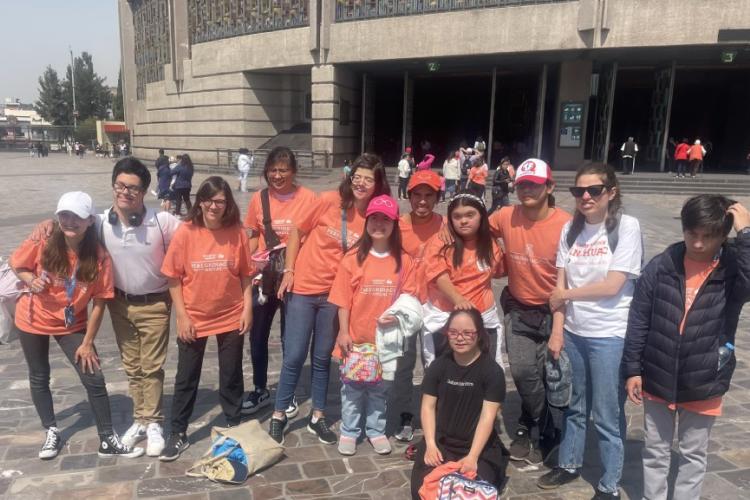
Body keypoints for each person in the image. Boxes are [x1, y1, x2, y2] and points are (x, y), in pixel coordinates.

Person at [622, 195, 750, 500]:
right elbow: (639, 318)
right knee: (655, 451)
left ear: (723, 235)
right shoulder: (662, 265)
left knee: (693, 454)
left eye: (709, 236)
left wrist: (745, 236)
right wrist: (632, 368)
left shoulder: (731, 270)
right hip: (657, 373)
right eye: (693, 233)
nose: (699, 243)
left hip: (705, 377)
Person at [267, 153, 391, 445]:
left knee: (322, 358)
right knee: (295, 355)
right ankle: (279, 413)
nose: (360, 183)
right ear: (350, 178)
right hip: (304, 288)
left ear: (377, 183)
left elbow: (392, 237)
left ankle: (317, 416)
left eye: (368, 179)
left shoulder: (373, 215)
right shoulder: (327, 199)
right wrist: (289, 269)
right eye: (357, 177)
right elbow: (297, 231)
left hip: (335, 295)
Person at [10, 191, 144, 460]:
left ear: (90, 221)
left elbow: (100, 302)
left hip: (71, 324)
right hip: (32, 318)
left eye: (77, 217)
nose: (70, 221)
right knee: (39, 376)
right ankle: (51, 430)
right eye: (64, 215)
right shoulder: (45, 239)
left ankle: (107, 439)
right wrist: (29, 279)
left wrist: (86, 343)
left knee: (94, 377)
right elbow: (17, 263)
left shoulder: (98, 256)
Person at [538, 163, 643, 499]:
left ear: (610, 192)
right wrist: (558, 331)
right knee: (574, 405)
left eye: (594, 190)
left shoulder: (626, 227)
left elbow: (613, 285)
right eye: (579, 191)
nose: (585, 196)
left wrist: (565, 296)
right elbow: (560, 283)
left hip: (609, 335)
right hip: (573, 332)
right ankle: (569, 464)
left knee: (607, 413)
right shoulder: (570, 229)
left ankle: (609, 484)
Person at [159, 176, 253, 461]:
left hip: (230, 314)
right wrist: (182, 316)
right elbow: (173, 278)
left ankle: (233, 422)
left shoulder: (236, 232)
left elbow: (246, 274)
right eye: (209, 200)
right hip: (195, 317)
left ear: (228, 204)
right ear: (200, 202)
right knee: (186, 376)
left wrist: (247, 308)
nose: (214, 206)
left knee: (231, 374)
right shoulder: (186, 232)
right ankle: (178, 432)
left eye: (220, 201)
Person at [488, 158, 571, 466]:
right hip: (519, 308)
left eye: (534, 185)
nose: (527, 191)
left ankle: (531, 424)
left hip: (555, 311)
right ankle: (545, 423)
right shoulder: (505, 215)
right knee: (523, 372)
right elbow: (473, 229)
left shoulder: (566, 224)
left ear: (549, 187)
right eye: (522, 185)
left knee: (548, 375)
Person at [330, 194, 417, 456]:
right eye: (374, 218)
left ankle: (376, 430)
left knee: (380, 390)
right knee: (352, 390)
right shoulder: (352, 258)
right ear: (367, 221)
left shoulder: (405, 262)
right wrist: (343, 332)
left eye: (386, 219)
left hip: (386, 344)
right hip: (356, 340)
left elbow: (410, 299)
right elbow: (343, 300)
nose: (379, 224)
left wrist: (398, 317)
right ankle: (349, 430)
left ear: (394, 224)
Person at [241, 147, 316, 416]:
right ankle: (261, 387)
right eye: (272, 170)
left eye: (283, 169)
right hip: (264, 279)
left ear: (294, 171)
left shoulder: (308, 198)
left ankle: (288, 390)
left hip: (294, 276)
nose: (277, 175)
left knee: (290, 336)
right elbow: (252, 235)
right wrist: (247, 265)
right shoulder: (258, 199)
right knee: (258, 334)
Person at [410, 309, 508, 499]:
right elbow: (427, 407)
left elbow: (488, 416)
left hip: (478, 447)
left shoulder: (492, 372)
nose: (459, 338)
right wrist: (430, 444)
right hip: (441, 443)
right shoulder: (439, 366)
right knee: (423, 492)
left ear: (479, 334)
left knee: (470, 491)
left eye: (467, 333)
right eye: (453, 332)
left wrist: (472, 456)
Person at [392, 170, 445, 442]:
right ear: (409, 196)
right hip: (406, 302)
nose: (422, 201)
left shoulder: (447, 225)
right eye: (417, 195)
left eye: (428, 195)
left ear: (437, 198)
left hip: (437, 304)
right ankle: (404, 413)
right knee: (403, 362)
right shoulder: (396, 225)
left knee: (434, 363)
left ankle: (436, 413)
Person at [422, 193, 504, 367]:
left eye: (470, 215)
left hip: (483, 319)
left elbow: (499, 271)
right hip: (446, 322)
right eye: (457, 216)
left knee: (483, 374)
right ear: (450, 219)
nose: (463, 221)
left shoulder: (492, 245)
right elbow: (438, 275)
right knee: (445, 376)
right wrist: (458, 299)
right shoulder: (440, 242)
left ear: (481, 216)